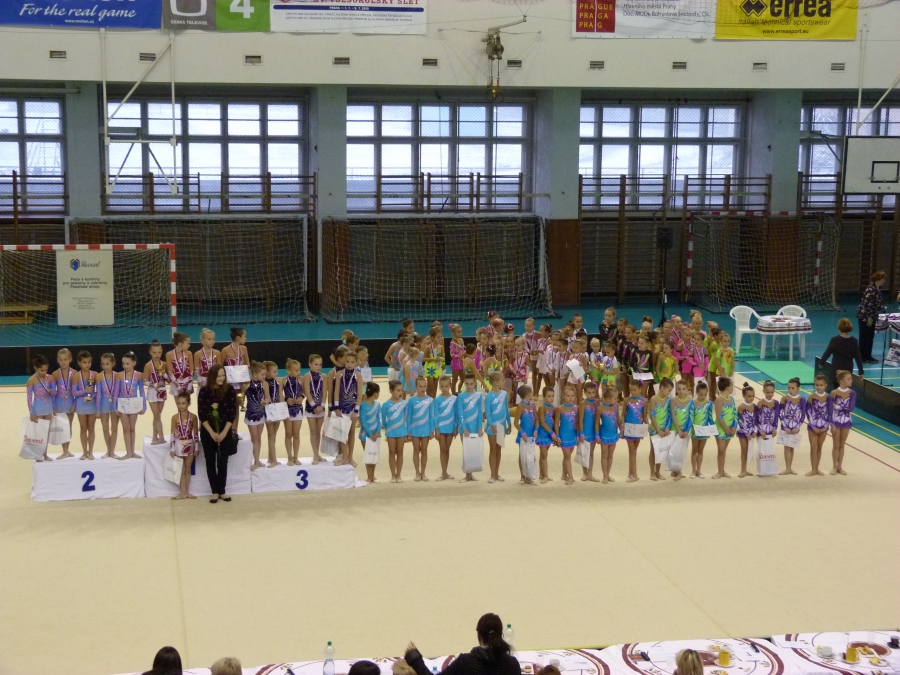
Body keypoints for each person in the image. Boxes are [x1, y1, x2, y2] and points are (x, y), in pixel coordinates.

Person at [404, 613, 520, 675]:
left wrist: (415, 659)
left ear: (479, 635)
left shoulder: (465, 662)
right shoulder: (512, 664)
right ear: (500, 635)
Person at [198, 364, 238, 504]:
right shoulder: (204, 391)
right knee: (210, 461)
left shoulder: (229, 390)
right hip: (208, 431)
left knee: (222, 462)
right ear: (212, 377)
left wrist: (224, 432)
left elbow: (232, 413)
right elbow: (202, 414)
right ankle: (214, 491)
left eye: (223, 376)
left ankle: (222, 490)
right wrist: (212, 432)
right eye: (219, 376)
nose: (221, 378)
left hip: (224, 430)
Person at [115, 352, 146, 460]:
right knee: (126, 428)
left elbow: (142, 391)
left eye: (127, 363)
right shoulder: (119, 375)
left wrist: (144, 406)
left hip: (134, 404)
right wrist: (115, 407)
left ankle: (132, 452)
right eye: (123, 364)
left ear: (134, 363)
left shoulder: (138, 375)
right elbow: (116, 392)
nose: (125, 366)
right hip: (123, 404)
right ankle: (128, 452)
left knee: (132, 428)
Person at [170, 392, 199, 500]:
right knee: (181, 469)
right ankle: (182, 493)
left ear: (188, 403)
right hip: (178, 445)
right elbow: (172, 434)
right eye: (179, 403)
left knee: (187, 468)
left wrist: (196, 448)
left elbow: (195, 433)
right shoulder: (174, 418)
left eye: (183, 403)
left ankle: (187, 492)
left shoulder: (193, 417)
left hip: (190, 445)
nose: (181, 406)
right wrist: (172, 448)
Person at [26, 355, 55, 462]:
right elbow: (29, 398)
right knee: (39, 433)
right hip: (38, 409)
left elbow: (54, 394)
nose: (44, 372)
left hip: (48, 408)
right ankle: (38, 453)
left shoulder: (50, 378)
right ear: (36, 368)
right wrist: (31, 413)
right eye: (41, 370)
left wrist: (52, 393)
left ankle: (45, 454)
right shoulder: (31, 380)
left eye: (46, 370)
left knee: (46, 433)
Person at [820, 318, 865, 387]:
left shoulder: (834, 340)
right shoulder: (854, 341)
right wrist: (861, 371)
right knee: (845, 388)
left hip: (836, 368)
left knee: (836, 388)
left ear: (839, 327)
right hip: (848, 368)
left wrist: (821, 363)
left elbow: (827, 352)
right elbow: (858, 357)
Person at [856, 270, 887, 363]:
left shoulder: (878, 289)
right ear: (878, 279)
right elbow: (866, 304)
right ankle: (862, 357)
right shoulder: (871, 289)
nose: (884, 281)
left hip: (873, 316)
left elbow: (877, 303)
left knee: (870, 337)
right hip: (865, 317)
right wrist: (869, 317)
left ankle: (868, 356)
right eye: (883, 279)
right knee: (864, 337)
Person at [830, 369, 856, 475]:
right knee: (836, 445)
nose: (851, 380)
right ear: (841, 381)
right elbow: (830, 410)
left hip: (846, 421)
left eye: (851, 379)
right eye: (848, 379)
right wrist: (831, 424)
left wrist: (837, 406)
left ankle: (840, 467)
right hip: (836, 421)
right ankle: (834, 467)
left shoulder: (852, 393)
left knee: (842, 445)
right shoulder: (834, 393)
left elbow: (851, 408)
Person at [51, 348, 76, 459]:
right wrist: (54, 406)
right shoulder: (55, 374)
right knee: (62, 427)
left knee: (69, 427)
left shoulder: (75, 373)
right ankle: (64, 450)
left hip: (70, 402)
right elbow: (53, 392)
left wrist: (74, 405)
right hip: (59, 403)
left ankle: (67, 450)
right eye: (61, 360)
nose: (63, 362)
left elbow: (76, 391)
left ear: (70, 359)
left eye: (65, 359)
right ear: (57, 360)